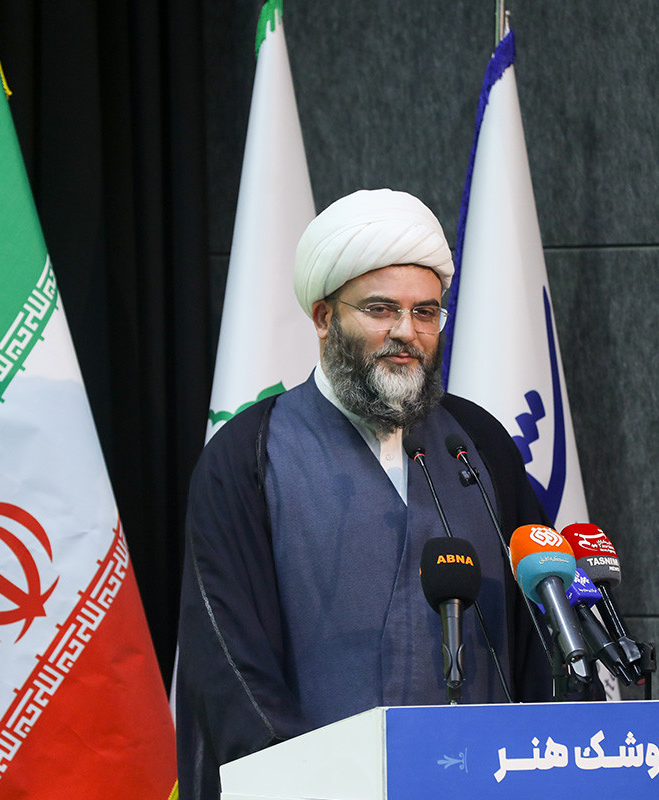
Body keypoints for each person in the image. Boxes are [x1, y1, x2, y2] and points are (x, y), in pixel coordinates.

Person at [175, 189, 552, 798]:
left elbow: (537, 639)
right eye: (381, 309)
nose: (407, 332)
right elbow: (230, 668)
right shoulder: (248, 456)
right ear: (324, 318)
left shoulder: (478, 443)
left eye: (425, 312)